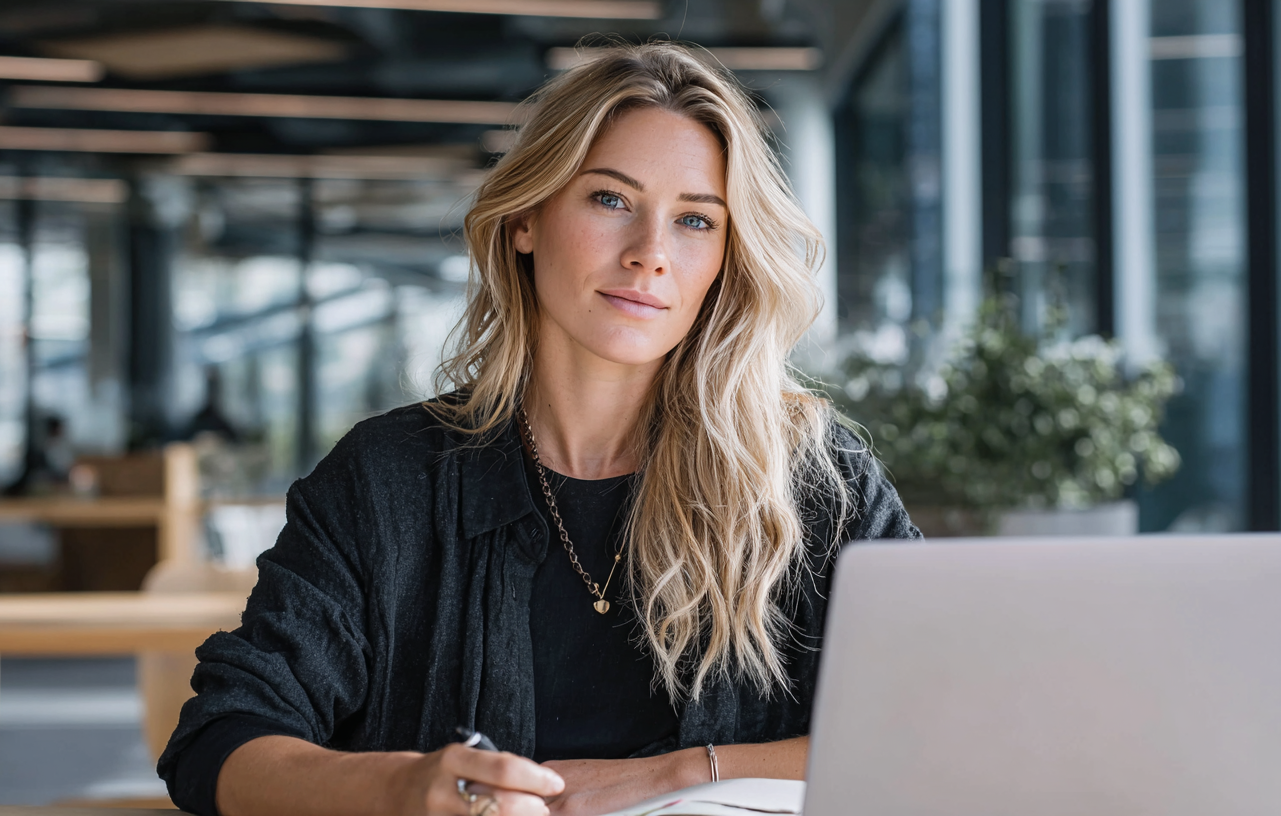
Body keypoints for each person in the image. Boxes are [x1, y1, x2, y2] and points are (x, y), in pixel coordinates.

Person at [157, 42, 920, 816]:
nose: (650, 254)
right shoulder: (388, 480)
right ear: (527, 218)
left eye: (695, 220)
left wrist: (677, 774)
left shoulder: (814, 482)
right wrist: (399, 789)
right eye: (610, 200)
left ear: (727, 258)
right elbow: (223, 739)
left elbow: (935, 725)